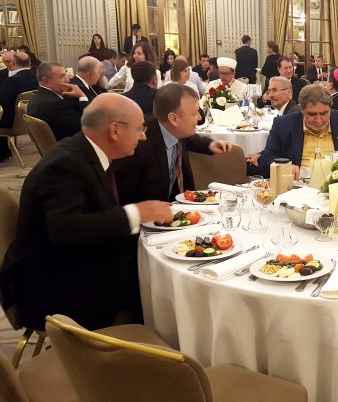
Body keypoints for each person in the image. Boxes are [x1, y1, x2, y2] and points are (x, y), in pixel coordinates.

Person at [0, 93, 173, 330]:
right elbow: (66, 230)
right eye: (139, 128)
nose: (143, 136)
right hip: (58, 287)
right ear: (115, 130)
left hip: (71, 261)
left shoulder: (85, 151)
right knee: (162, 290)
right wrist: (136, 213)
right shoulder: (65, 165)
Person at [114, 83, 233, 204]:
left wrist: (209, 145)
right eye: (194, 113)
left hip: (180, 208)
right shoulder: (138, 144)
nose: (199, 118)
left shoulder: (175, 130)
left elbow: (191, 139)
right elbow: (121, 199)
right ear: (174, 119)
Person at [256, 85, 338, 178]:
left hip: (337, 185)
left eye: (324, 113)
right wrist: (285, 167)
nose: (318, 120)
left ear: (331, 107)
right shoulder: (284, 124)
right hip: (297, 187)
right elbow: (265, 159)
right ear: (302, 110)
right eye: (312, 114)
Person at [28, 62, 91, 141]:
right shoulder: (57, 104)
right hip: (69, 145)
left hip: (54, 145)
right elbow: (87, 125)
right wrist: (82, 97)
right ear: (47, 81)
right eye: (62, 77)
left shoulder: (35, 98)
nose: (67, 80)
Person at [0, 52, 37, 161]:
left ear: (13, 62)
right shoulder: (35, 78)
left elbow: (2, 103)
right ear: (29, 63)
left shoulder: (11, 81)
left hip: (9, 123)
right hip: (25, 121)